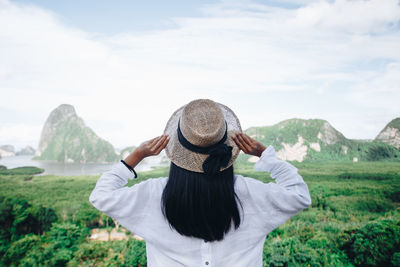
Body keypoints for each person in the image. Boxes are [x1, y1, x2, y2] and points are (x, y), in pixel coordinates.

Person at [89, 99, 312, 267]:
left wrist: (136, 156)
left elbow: (101, 196)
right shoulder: (249, 193)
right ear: (229, 149)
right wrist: (266, 155)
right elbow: (299, 195)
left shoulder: (154, 194)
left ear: (176, 150)